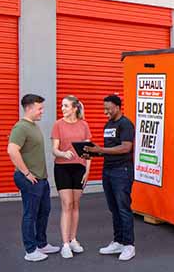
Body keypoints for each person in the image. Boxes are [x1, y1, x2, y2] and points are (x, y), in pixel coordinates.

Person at [7, 93, 60, 262]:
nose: (42, 111)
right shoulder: (21, 127)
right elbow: (12, 150)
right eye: (39, 108)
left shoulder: (33, 126)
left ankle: (42, 243)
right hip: (31, 179)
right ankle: (30, 250)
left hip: (40, 179)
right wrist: (27, 173)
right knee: (30, 214)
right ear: (29, 108)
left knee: (44, 211)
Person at [84, 95, 135, 261]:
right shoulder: (108, 124)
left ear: (118, 107)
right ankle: (118, 241)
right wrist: (94, 151)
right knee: (113, 208)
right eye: (104, 108)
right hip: (108, 170)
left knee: (123, 208)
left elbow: (126, 148)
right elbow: (109, 148)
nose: (106, 112)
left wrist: (102, 150)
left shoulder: (125, 124)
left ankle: (129, 245)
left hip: (122, 171)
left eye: (109, 108)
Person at [51, 95, 92, 258]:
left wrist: (88, 171)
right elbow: (54, 149)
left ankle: (73, 239)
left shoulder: (84, 125)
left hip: (79, 168)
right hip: (62, 168)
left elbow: (88, 151)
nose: (63, 108)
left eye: (66, 106)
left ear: (75, 108)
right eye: (62, 106)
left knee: (75, 204)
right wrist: (62, 153)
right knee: (67, 204)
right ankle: (65, 244)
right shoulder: (58, 125)